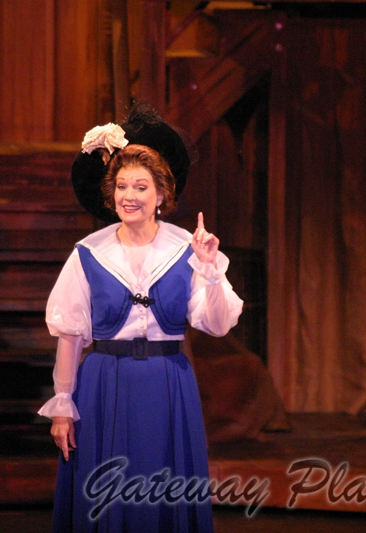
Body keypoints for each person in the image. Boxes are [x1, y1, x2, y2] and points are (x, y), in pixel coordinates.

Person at [37, 103, 244, 533]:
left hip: (167, 386)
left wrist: (209, 269)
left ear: (161, 195)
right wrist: (62, 407)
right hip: (103, 386)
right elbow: (70, 336)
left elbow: (217, 323)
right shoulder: (89, 253)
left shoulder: (188, 248)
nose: (129, 196)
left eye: (141, 186)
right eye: (122, 186)